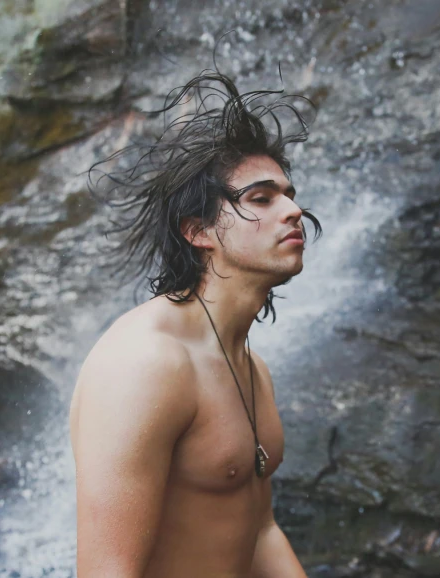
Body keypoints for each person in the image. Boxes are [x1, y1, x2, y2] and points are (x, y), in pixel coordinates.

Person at [69, 70, 321, 578]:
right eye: (261, 198)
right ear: (199, 230)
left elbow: (261, 530)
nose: (294, 210)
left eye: (289, 194)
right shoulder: (146, 364)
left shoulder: (251, 366)